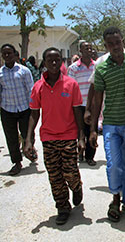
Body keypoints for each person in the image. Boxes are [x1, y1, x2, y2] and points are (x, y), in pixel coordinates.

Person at [23, 47, 85, 225]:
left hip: (68, 136)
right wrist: (28, 139)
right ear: (44, 63)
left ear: (62, 62)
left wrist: (81, 136)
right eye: (50, 60)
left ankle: (76, 186)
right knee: (55, 175)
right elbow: (34, 114)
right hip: (48, 137)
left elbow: (77, 111)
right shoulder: (38, 87)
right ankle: (62, 207)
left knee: (70, 171)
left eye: (58, 59)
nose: (54, 63)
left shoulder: (70, 84)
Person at [89, 27, 125, 223]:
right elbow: (97, 101)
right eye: (110, 44)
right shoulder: (101, 67)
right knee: (114, 165)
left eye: (117, 42)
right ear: (105, 46)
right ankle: (115, 198)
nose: (115, 47)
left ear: (122, 40)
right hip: (111, 125)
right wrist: (93, 129)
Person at [0, 44, 36, 175]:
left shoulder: (23, 71)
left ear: (15, 54)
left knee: (27, 134)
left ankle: (30, 149)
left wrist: (33, 108)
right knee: (11, 137)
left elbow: (31, 90)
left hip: (24, 109)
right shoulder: (0, 73)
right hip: (7, 109)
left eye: (9, 53)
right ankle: (16, 162)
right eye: (4, 54)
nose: (7, 56)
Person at [68, 41, 97, 166]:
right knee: (80, 130)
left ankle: (90, 156)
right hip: (79, 105)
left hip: (93, 105)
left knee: (92, 129)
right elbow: (70, 88)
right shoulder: (73, 68)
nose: (89, 50)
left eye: (90, 48)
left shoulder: (97, 66)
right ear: (80, 51)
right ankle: (80, 152)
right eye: (86, 48)